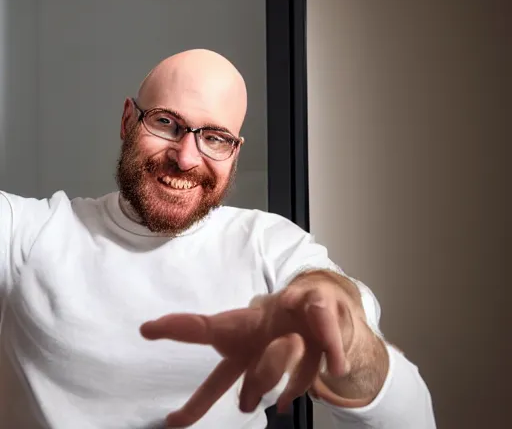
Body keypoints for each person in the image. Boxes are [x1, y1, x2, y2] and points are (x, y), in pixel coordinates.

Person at [0, 49, 436, 429]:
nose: (187, 157)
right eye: (167, 123)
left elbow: (403, 412)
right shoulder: (30, 231)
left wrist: (344, 331)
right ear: (128, 121)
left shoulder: (268, 244)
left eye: (215, 138)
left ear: (234, 151)